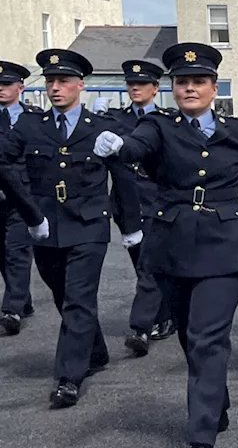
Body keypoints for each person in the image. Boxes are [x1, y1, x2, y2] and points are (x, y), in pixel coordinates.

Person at [93, 42, 238, 448]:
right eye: (182, 82)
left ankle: (199, 439)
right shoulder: (159, 126)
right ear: (172, 88)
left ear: (213, 87)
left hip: (225, 246)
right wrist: (117, 147)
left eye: (198, 81)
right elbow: (137, 146)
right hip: (172, 244)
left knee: (208, 336)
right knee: (189, 335)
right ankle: (215, 400)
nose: (190, 88)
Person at [0, 49, 141, 407]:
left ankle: (68, 377)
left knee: (79, 299)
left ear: (81, 85)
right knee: (63, 297)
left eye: (63, 81)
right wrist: (31, 214)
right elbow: (5, 163)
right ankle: (94, 351)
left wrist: (131, 226)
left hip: (89, 226)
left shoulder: (102, 128)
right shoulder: (31, 127)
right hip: (46, 229)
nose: (55, 88)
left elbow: (123, 180)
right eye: (50, 81)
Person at [94, 60, 176, 354]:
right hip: (128, 204)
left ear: (155, 88)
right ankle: (166, 315)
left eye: (141, 84)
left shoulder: (168, 120)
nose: (135, 88)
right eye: (131, 84)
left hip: (159, 200)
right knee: (145, 264)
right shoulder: (114, 120)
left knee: (148, 265)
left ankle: (141, 326)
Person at [0, 60, 42, 335]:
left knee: (18, 250)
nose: (1, 90)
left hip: (23, 196)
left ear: (20, 87)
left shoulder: (34, 118)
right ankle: (23, 300)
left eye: (6, 85)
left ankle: (11, 309)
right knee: (3, 253)